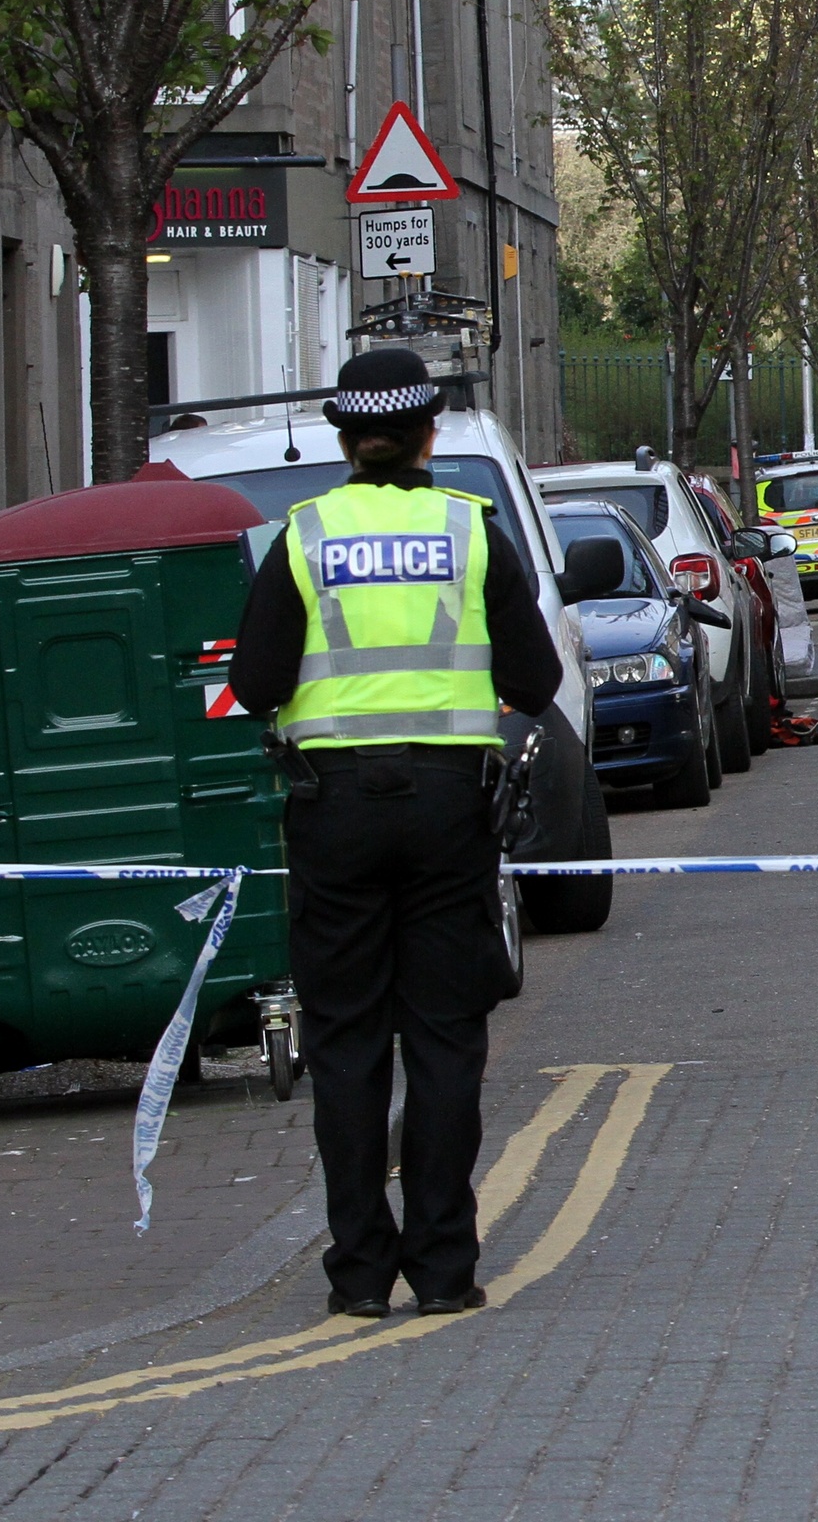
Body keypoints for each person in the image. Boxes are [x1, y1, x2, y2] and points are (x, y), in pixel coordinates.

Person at [229, 346, 564, 1319]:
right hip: (447, 809)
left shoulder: (303, 536)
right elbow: (535, 684)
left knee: (345, 1045)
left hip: (331, 810)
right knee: (445, 1042)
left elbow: (253, 686)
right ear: (427, 436)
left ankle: (361, 1273)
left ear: (344, 440)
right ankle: (447, 1269)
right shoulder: (470, 532)